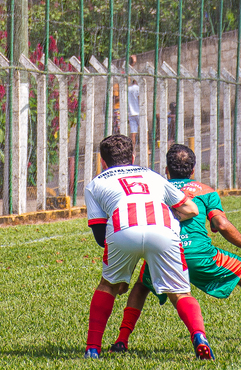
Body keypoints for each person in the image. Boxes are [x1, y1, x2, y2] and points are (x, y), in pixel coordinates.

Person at [109, 143, 241, 355]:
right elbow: (221, 224)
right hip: (199, 255)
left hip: (164, 252)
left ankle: (121, 341)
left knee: (142, 284)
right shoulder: (206, 191)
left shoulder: (154, 188)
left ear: (167, 170)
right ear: (193, 170)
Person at [82, 134, 215, 360]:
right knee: (180, 292)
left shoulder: (95, 184)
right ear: (133, 157)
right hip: (163, 230)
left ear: (103, 161)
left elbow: (99, 235)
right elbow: (191, 209)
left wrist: (120, 274)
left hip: (123, 230)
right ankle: (199, 336)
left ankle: (92, 348)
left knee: (107, 286)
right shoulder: (152, 175)